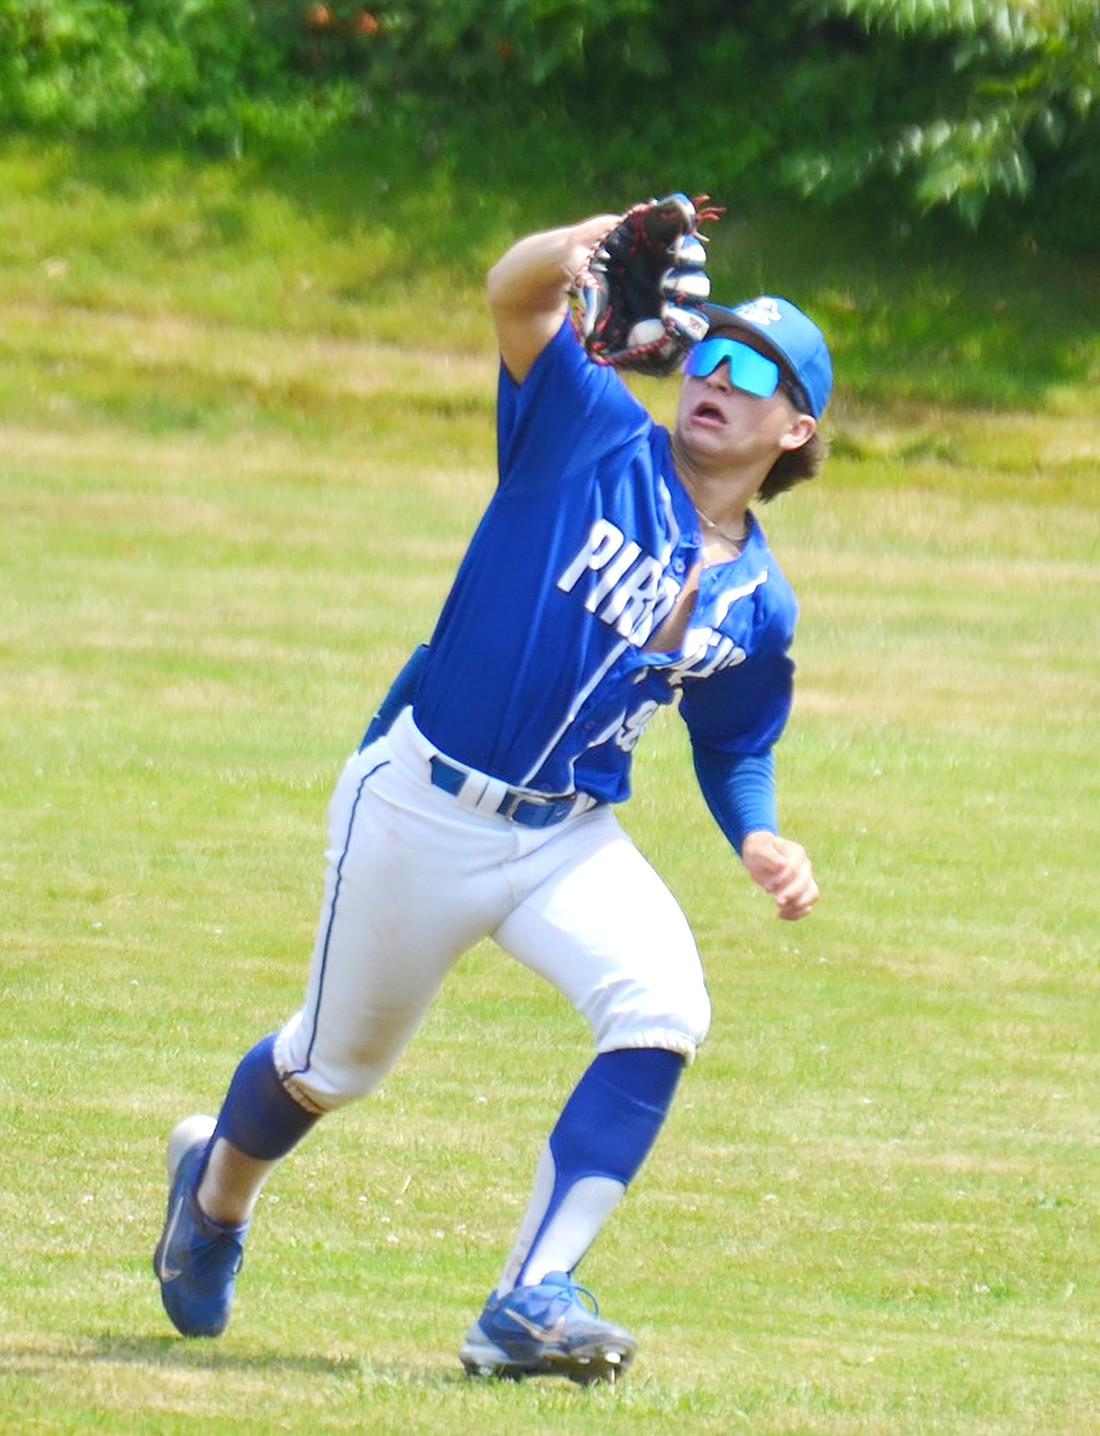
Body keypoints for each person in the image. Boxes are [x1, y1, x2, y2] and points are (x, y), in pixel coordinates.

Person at [153, 200, 832, 1385]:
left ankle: (526, 1297)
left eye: (750, 371)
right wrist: (586, 239)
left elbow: (731, 741)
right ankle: (212, 1193)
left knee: (664, 1003)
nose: (713, 378)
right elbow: (513, 295)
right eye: (707, 353)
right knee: (330, 1066)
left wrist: (760, 832)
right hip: (420, 806)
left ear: (794, 428)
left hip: (564, 836)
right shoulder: (586, 430)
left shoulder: (758, 605)